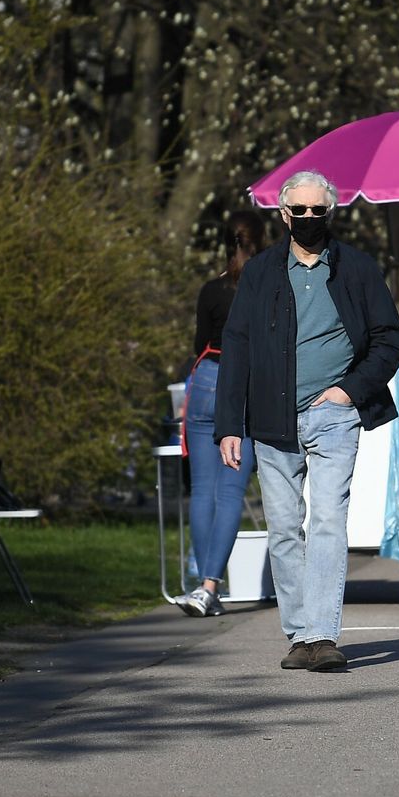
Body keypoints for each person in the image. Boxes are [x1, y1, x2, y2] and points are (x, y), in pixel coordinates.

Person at [216, 170, 399, 671]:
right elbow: (235, 345)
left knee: (326, 520)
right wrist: (228, 423)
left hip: (333, 417)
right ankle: (298, 635)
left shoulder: (357, 269)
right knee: (282, 528)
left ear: (330, 213)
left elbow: (389, 338)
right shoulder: (259, 273)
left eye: (317, 210)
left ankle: (322, 635)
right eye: (298, 211)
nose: (307, 218)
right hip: (272, 420)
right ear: (283, 215)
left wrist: (348, 391)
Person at [178, 212, 263, 617]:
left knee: (202, 490)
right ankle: (210, 585)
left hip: (205, 380)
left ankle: (202, 584)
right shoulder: (264, 289)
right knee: (230, 491)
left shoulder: (211, 290)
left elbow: (199, 343)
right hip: (242, 384)